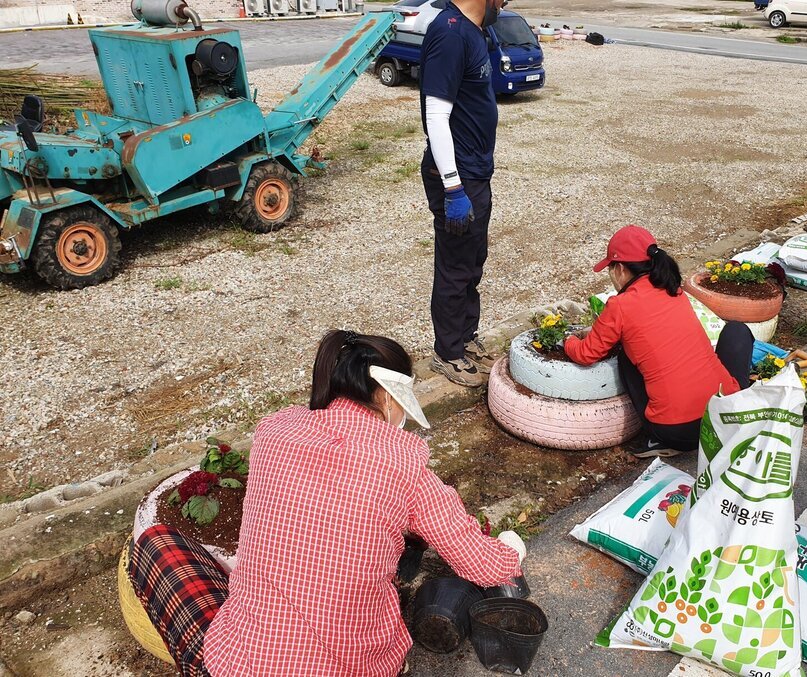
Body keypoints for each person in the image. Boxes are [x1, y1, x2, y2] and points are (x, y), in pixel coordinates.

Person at [128, 330, 526, 676]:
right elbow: (481, 563)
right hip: (354, 665)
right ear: (386, 395)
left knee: (156, 542)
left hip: (239, 663)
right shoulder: (404, 459)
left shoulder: (274, 430)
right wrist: (511, 548)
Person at [563, 225, 754, 457]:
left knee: (625, 352)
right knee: (736, 330)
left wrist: (568, 340)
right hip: (726, 417)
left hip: (679, 433)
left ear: (620, 268)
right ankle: (744, 398)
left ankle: (656, 439)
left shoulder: (620, 305)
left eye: (610, 269)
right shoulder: (674, 290)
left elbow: (586, 354)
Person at [419, 0, 508, 387]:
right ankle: (448, 353)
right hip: (457, 177)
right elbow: (435, 115)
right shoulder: (451, 33)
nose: (506, 2)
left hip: (476, 172)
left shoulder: (475, 30)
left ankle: (466, 338)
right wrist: (453, 186)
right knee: (455, 268)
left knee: (474, 262)